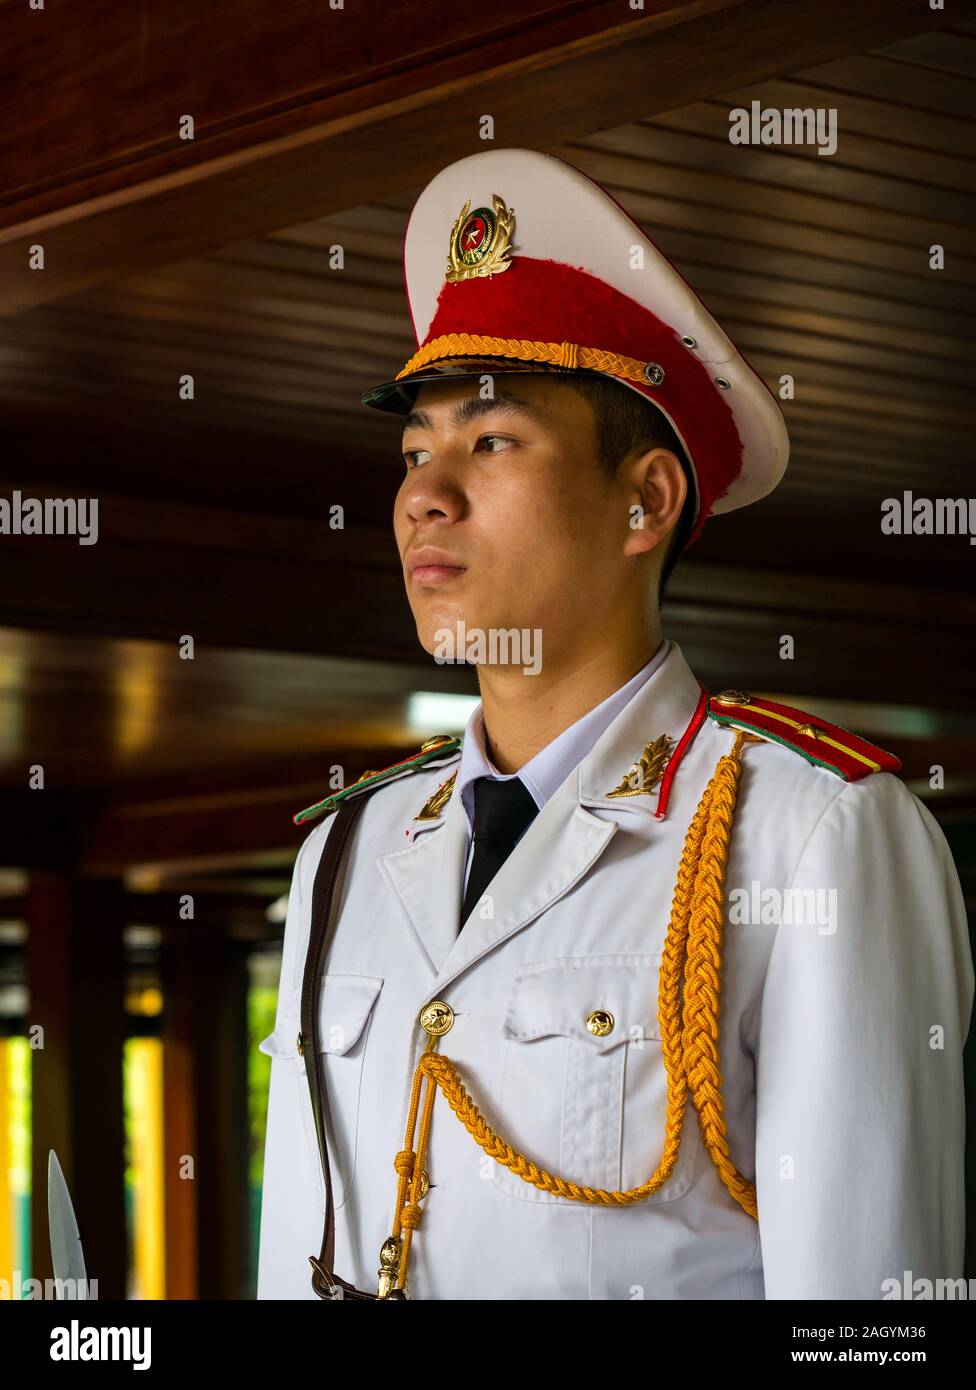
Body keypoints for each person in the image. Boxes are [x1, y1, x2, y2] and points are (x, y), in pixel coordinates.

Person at [256, 147, 973, 1300]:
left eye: (489, 442)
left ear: (645, 500)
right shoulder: (343, 851)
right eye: (412, 451)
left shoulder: (809, 834)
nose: (422, 494)